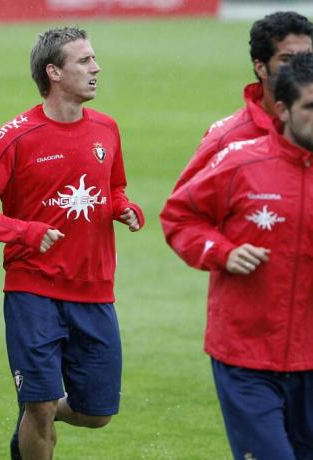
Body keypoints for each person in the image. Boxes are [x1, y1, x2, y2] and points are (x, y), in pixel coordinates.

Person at [0, 27, 144, 460]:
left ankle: (33, 420)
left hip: (94, 290)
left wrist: (124, 207)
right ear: (54, 72)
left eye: (93, 59)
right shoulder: (16, 136)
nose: (96, 68)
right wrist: (26, 231)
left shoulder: (107, 130)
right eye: (84, 61)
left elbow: (114, 188)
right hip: (32, 289)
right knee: (39, 403)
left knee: (97, 413)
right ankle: (35, 415)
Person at [161, 52, 313, 459]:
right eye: (310, 107)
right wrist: (221, 252)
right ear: (282, 109)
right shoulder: (239, 162)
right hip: (247, 357)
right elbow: (180, 215)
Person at [173, 11, 312, 191]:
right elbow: (184, 212)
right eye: (287, 59)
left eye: (308, 57)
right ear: (260, 67)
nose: (300, 67)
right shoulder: (226, 139)